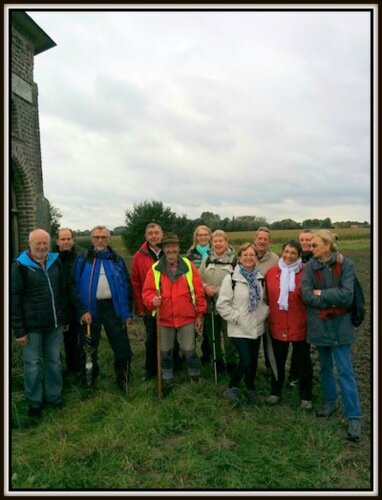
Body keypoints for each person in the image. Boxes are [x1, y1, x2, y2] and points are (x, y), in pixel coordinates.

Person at [301, 229, 362, 441]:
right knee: (325, 368)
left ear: (327, 245)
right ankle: (329, 403)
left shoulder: (346, 265)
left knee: (345, 371)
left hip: (341, 327)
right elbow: (307, 296)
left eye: (315, 244)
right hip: (320, 326)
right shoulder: (309, 267)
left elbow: (347, 296)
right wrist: (331, 298)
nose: (310, 248)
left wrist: (323, 294)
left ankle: (353, 416)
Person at [11, 229, 68, 417]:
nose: (42, 247)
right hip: (32, 327)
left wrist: (63, 318)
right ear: (30, 244)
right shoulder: (20, 266)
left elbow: (61, 292)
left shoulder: (55, 261)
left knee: (54, 361)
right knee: (32, 364)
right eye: (38, 243)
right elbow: (14, 299)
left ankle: (54, 396)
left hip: (54, 325)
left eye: (45, 243)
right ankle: (34, 402)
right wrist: (19, 331)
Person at [73, 225, 133, 391]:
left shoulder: (117, 260)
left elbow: (127, 286)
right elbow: (74, 287)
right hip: (90, 310)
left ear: (109, 239)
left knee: (122, 347)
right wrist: (82, 311)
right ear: (91, 239)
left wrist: (127, 312)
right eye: (97, 237)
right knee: (88, 348)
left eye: (104, 237)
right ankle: (89, 380)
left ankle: (123, 379)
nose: (100, 240)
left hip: (113, 308)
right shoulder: (82, 260)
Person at [142, 233, 207, 384]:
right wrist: (153, 300)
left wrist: (199, 315)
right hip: (164, 318)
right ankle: (167, 376)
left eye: (174, 246)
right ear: (163, 249)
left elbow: (198, 292)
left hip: (187, 317)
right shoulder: (155, 269)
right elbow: (147, 292)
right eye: (167, 246)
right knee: (165, 350)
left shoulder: (188, 266)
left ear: (178, 248)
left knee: (189, 349)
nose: (171, 249)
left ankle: (194, 375)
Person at [216, 242, 269, 404]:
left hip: (256, 326)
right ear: (239, 258)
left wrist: (262, 315)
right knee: (246, 360)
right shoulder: (231, 278)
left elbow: (265, 301)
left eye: (251, 255)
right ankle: (232, 386)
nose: (248, 258)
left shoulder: (260, 278)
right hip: (239, 328)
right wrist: (236, 317)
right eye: (245, 255)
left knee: (253, 361)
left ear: (255, 258)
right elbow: (222, 304)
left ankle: (250, 388)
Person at [265, 240, 313, 409]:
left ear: (299, 255)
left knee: (303, 362)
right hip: (277, 324)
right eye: (286, 251)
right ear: (282, 251)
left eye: (293, 253)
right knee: (277, 361)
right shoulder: (271, 273)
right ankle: (275, 392)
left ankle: (306, 395)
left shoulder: (306, 273)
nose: (289, 256)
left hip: (300, 325)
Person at [198, 230, 237, 374]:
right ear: (211, 243)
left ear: (226, 242)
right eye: (215, 241)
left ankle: (231, 364)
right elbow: (198, 278)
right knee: (212, 338)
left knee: (229, 339)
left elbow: (236, 280)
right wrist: (205, 287)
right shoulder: (206, 259)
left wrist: (220, 290)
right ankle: (218, 364)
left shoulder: (234, 259)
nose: (218, 244)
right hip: (210, 306)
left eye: (221, 241)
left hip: (228, 307)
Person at [131, 222, 164, 381]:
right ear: (146, 236)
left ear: (161, 235)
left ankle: (172, 364)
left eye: (156, 233)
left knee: (170, 336)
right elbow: (136, 283)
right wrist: (140, 306)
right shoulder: (139, 256)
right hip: (149, 303)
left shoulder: (168, 252)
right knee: (152, 338)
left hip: (168, 303)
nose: (154, 236)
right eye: (150, 233)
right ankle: (151, 369)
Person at [288, 228, 314, 386]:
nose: (304, 242)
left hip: (311, 308)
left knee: (305, 346)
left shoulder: (315, 259)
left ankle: (304, 376)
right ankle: (294, 374)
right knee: (299, 344)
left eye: (308, 240)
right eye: (302, 240)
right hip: (296, 308)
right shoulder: (295, 258)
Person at [53, 227, 81, 374]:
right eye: (62, 239)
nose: (66, 242)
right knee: (55, 344)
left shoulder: (79, 258)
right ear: (57, 241)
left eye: (68, 239)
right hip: (56, 308)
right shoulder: (50, 260)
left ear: (73, 240)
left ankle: (73, 369)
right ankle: (57, 371)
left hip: (75, 307)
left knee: (73, 341)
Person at [253, 227, 279, 372]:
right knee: (253, 339)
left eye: (265, 239)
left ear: (270, 241)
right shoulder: (248, 256)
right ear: (255, 239)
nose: (262, 241)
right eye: (259, 238)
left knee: (270, 340)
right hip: (252, 307)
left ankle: (271, 368)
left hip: (269, 306)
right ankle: (252, 368)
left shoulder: (275, 259)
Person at [186, 224, 212, 364]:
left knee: (209, 328)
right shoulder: (190, 254)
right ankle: (190, 355)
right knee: (193, 327)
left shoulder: (215, 252)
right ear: (196, 237)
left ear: (210, 236)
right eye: (199, 235)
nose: (202, 237)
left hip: (211, 294)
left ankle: (207, 356)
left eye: (205, 235)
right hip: (195, 295)